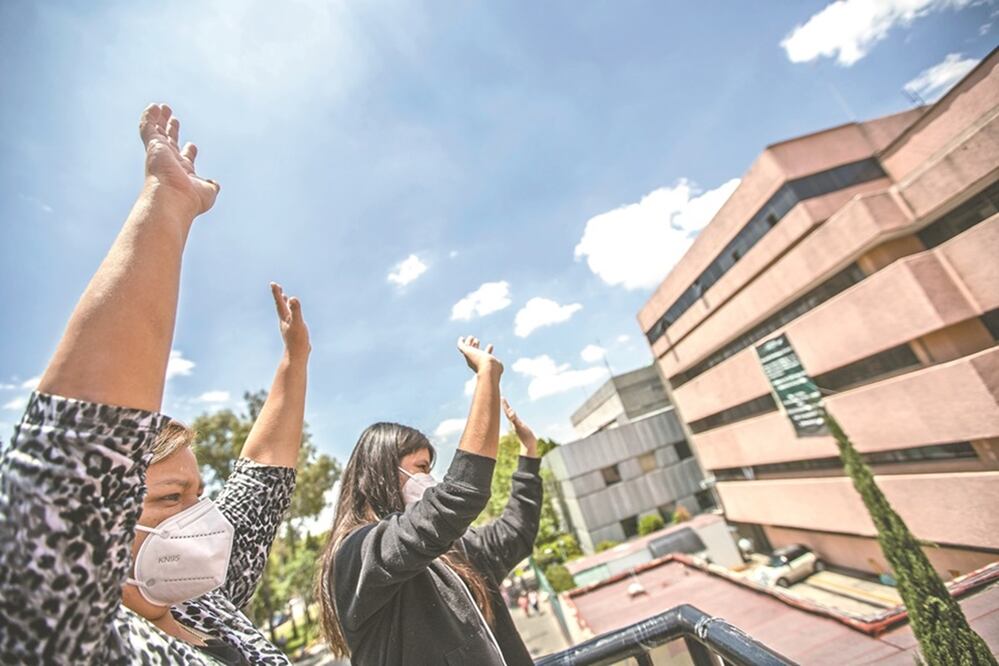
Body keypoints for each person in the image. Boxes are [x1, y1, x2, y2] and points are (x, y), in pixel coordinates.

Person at [0, 104, 308, 664]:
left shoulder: (204, 602)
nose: (201, 520)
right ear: (105, 511)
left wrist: (295, 362)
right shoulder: (83, 642)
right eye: (170, 498)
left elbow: (262, 485)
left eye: (197, 495)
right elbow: (70, 470)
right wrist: (167, 201)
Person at [317, 339, 543, 665]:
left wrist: (529, 458)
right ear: (381, 472)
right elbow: (460, 496)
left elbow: (515, 534)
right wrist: (487, 377)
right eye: (421, 468)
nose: (429, 480)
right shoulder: (360, 554)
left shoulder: (449, 552)